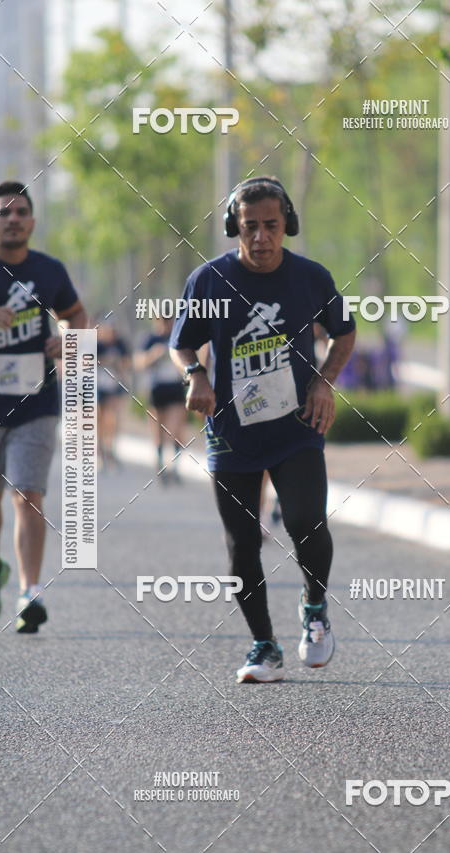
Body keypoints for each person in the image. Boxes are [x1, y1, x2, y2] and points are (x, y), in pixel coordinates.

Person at [170, 176, 356, 683]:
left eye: (270, 226)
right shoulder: (208, 281)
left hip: (297, 426)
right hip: (231, 431)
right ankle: (263, 646)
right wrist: (196, 374)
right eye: (249, 227)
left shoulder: (310, 278)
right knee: (241, 543)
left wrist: (323, 382)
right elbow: (181, 342)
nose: (259, 238)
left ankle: (314, 606)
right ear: (235, 226)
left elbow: (344, 332)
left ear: (286, 225)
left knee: (305, 523)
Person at [0, 181, 87, 632]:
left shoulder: (49, 270)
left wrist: (67, 340)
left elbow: (76, 315)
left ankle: (30, 591)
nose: (13, 219)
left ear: (32, 220)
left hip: (35, 402)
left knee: (27, 494)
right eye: (4, 213)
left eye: (21, 212)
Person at [135, 313, 187, 482]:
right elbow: (138, 363)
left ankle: (175, 467)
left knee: (175, 429)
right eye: (162, 321)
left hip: (176, 389)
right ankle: (160, 464)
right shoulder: (150, 339)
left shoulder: (178, 337)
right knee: (158, 431)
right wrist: (153, 355)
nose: (165, 325)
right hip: (157, 389)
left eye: (169, 321)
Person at [96, 318, 131, 469]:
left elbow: (127, 363)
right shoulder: (97, 345)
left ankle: (110, 447)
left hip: (114, 384)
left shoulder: (120, 344)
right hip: (97, 385)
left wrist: (117, 362)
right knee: (98, 417)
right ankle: (99, 449)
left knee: (113, 417)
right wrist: (104, 360)